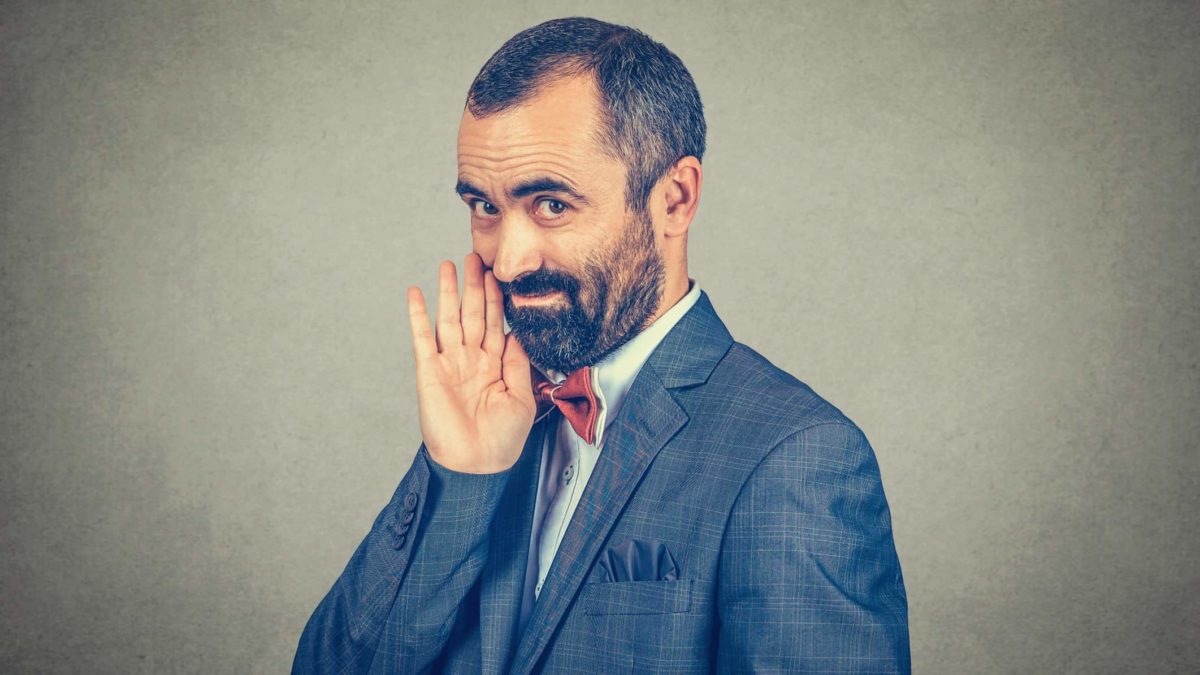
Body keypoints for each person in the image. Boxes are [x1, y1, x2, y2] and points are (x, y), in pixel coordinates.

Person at [293, 16, 909, 674]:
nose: (507, 260)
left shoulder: (796, 459)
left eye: (552, 205)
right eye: (485, 206)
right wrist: (458, 477)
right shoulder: (493, 420)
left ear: (674, 200)